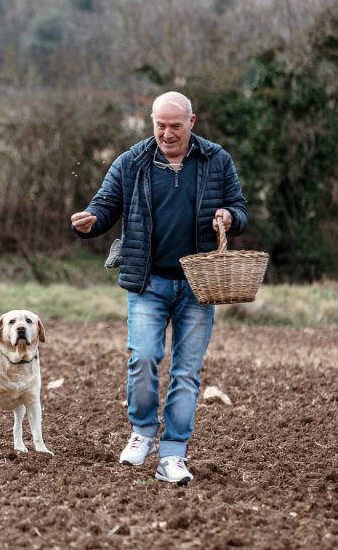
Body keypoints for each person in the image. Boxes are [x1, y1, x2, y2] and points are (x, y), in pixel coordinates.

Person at [70, 91, 248, 485]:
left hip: (199, 286)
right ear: (151, 122)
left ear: (192, 122)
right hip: (148, 281)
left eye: (175, 126)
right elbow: (105, 206)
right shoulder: (131, 161)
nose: (166, 134)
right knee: (144, 358)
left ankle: (173, 455)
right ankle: (143, 431)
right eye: (160, 125)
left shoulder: (216, 160)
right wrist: (90, 221)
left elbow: (241, 208)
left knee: (186, 373)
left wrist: (229, 216)